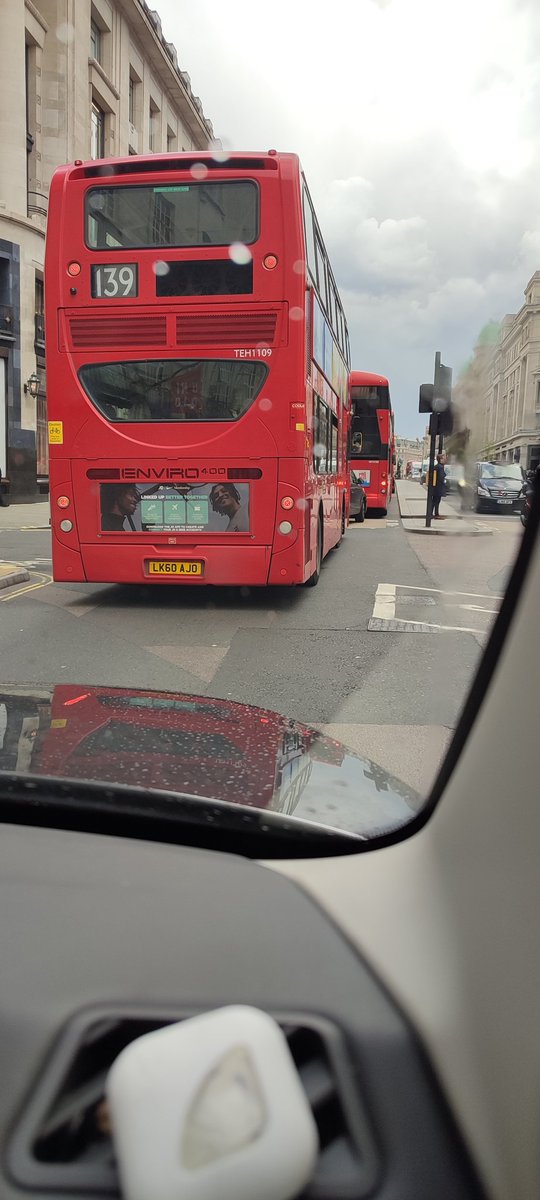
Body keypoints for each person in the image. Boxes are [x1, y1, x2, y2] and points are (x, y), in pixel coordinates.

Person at [430, 454, 446, 519]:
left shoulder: (436, 466)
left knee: (434, 501)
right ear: (440, 459)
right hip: (439, 487)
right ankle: (435, 514)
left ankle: (433, 513)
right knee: (437, 501)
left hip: (435, 487)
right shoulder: (440, 467)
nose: (445, 460)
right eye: (443, 458)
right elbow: (442, 477)